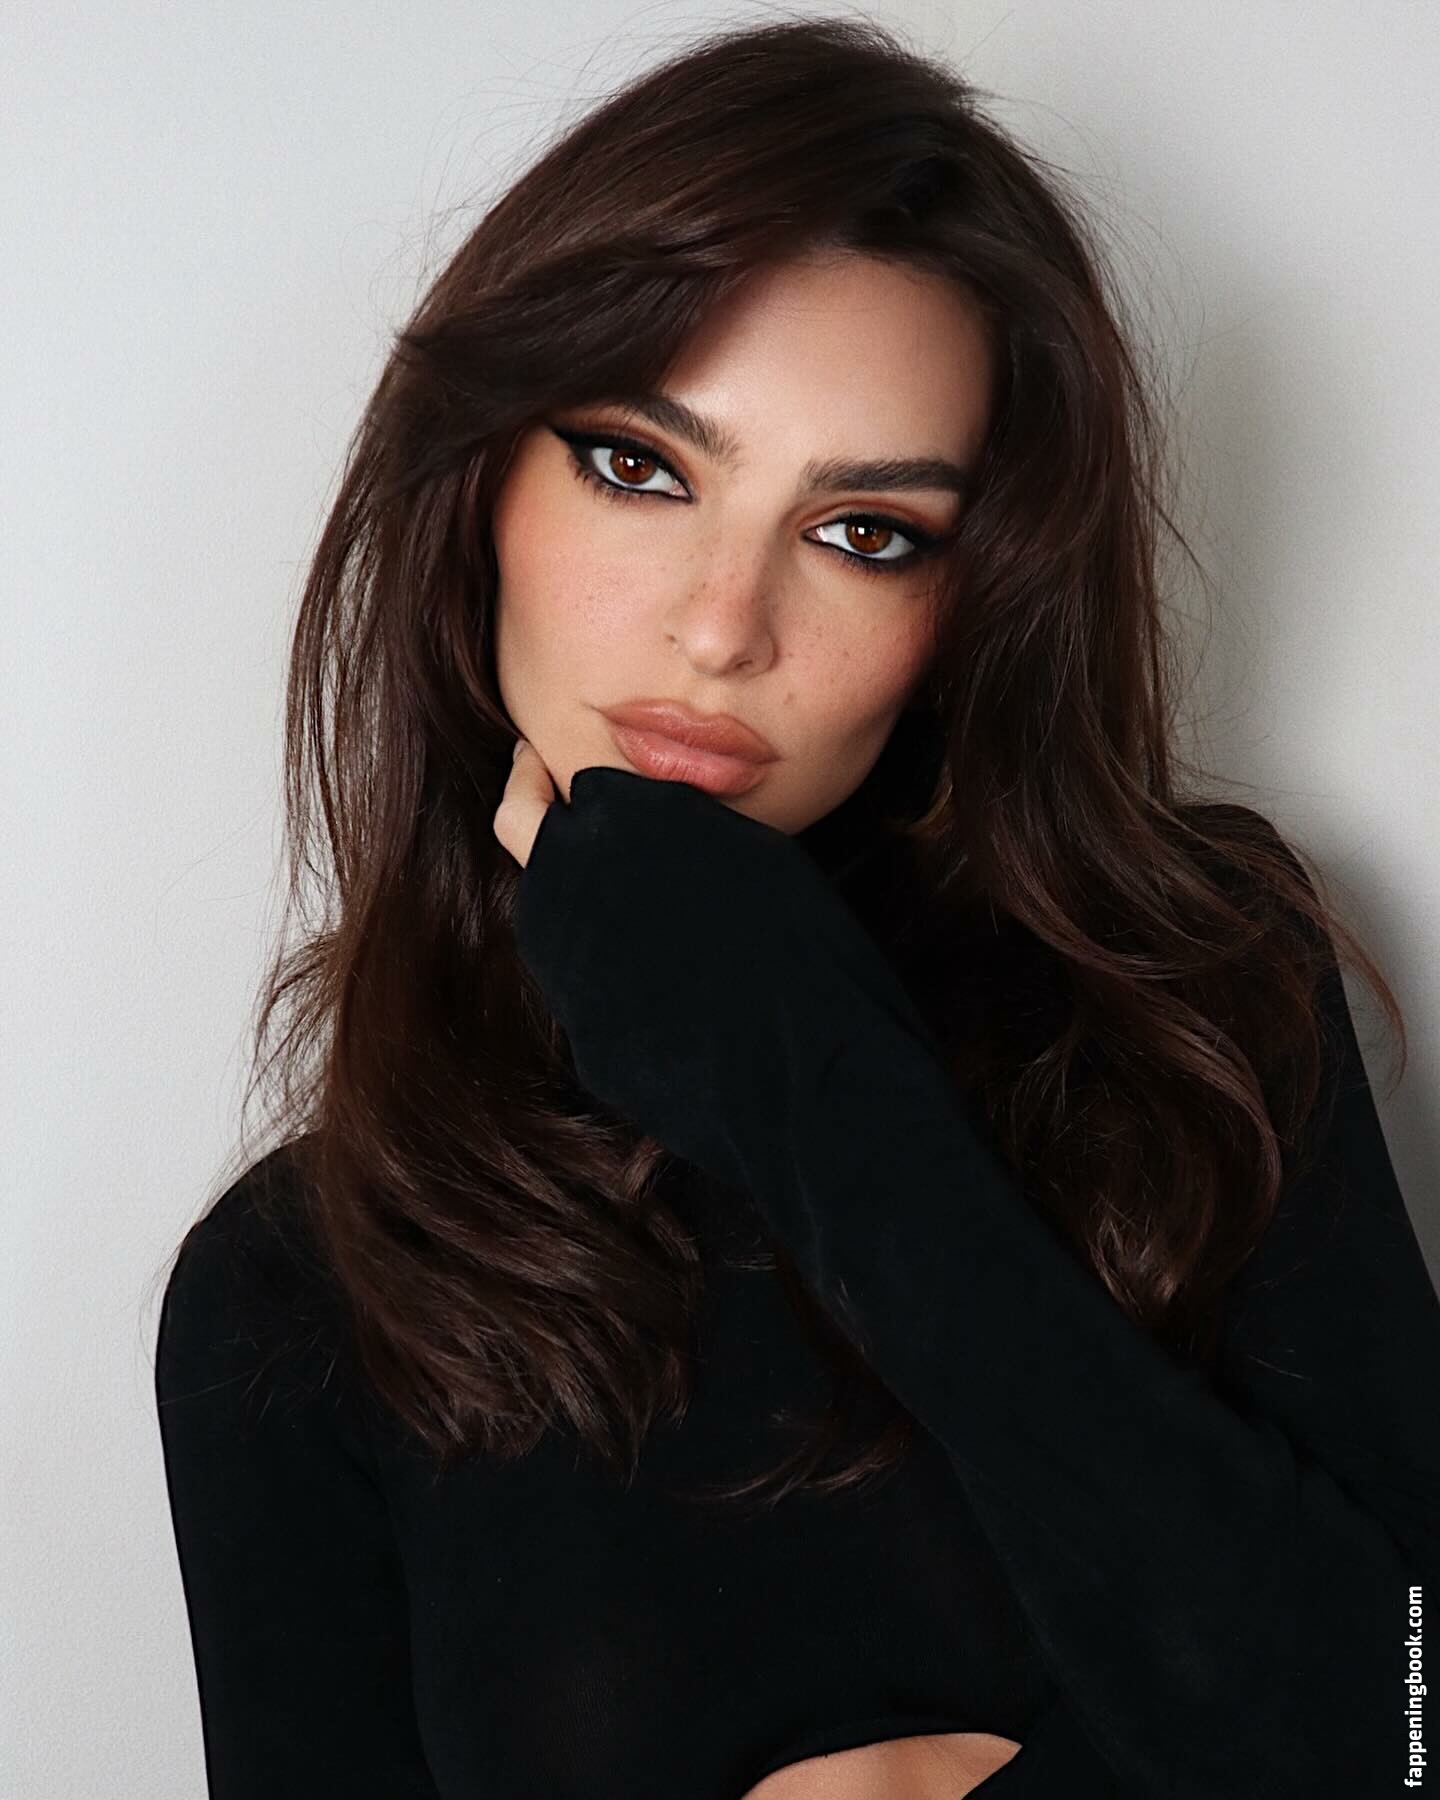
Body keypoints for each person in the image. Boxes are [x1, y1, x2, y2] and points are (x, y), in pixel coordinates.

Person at [151, 15, 1440, 1799]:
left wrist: (800, 1079)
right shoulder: (299, 1295)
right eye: (639, 465)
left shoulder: (1195, 1009)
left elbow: (1405, 1730)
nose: (721, 626)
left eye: (865, 532)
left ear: (969, 609)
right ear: (480, 490)